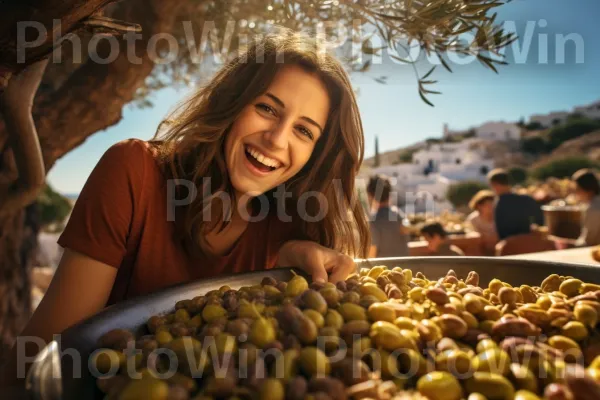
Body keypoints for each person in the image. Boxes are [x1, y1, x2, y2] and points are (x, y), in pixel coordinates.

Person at [1, 29, 369, 386]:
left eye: (304, 131)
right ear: (234, 101)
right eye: (267, 108)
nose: (276, 139)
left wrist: (288, 255)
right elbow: (41, 360)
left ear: (315, 155)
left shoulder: (292, 227)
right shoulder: (134, 171)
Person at [487, 168, 544, 240]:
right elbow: (540, 220)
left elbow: (500, 232)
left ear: (495, 184)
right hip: (529, 240)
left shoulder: (499, 204)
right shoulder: (526, 199)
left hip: (510, 245)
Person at [366, 174, 409, 258]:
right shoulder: (399, 215)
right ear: (389, 194)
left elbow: (371, 254)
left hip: (384, 269)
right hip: (404, 268)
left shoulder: (373, 222)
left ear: (370, 196)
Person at [572, 169, 600, 246]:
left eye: (577, 189)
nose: (575, 192)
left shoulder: (593, 209)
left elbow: (588, 242)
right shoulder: (593, 205)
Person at [467, 190, 498, 255]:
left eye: (492, 204)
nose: (491, 207)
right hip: (482, 247)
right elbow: (471, 234)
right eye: (487, 205)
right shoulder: (473, 219)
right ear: (479, 206)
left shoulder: (499, 217)